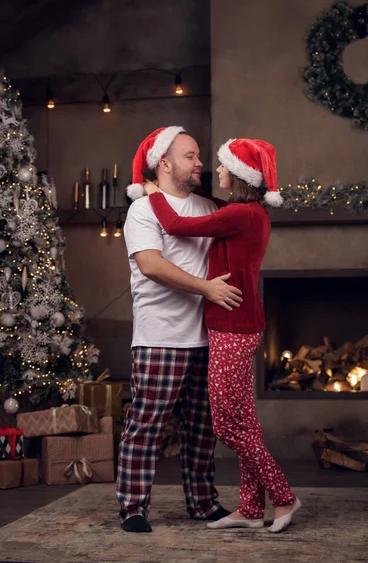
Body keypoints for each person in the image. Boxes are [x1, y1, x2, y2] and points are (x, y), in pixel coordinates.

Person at [144, 138, 301, 533]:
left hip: (231, 328)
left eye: (223, 165)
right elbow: (214, 202)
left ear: (241, 174)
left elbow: (176, 225)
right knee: (245, 421)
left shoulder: (241, 215)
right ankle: (250, 508)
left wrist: (152, 192)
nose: (216, 170)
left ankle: (283, 496)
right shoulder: (248, 212)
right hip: (239, 325)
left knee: (228, 427)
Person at [116, 126, 243, 533]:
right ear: (164, 163)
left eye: (199, 156)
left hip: (207, 336)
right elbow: (151, 265)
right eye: (190, 156)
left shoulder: (209, 207)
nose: (200, 163)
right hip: (160, 338)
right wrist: (206, 287)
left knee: (203, 430)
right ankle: (133, 508)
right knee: (146, 426)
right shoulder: (143, 210)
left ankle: (203, 504)